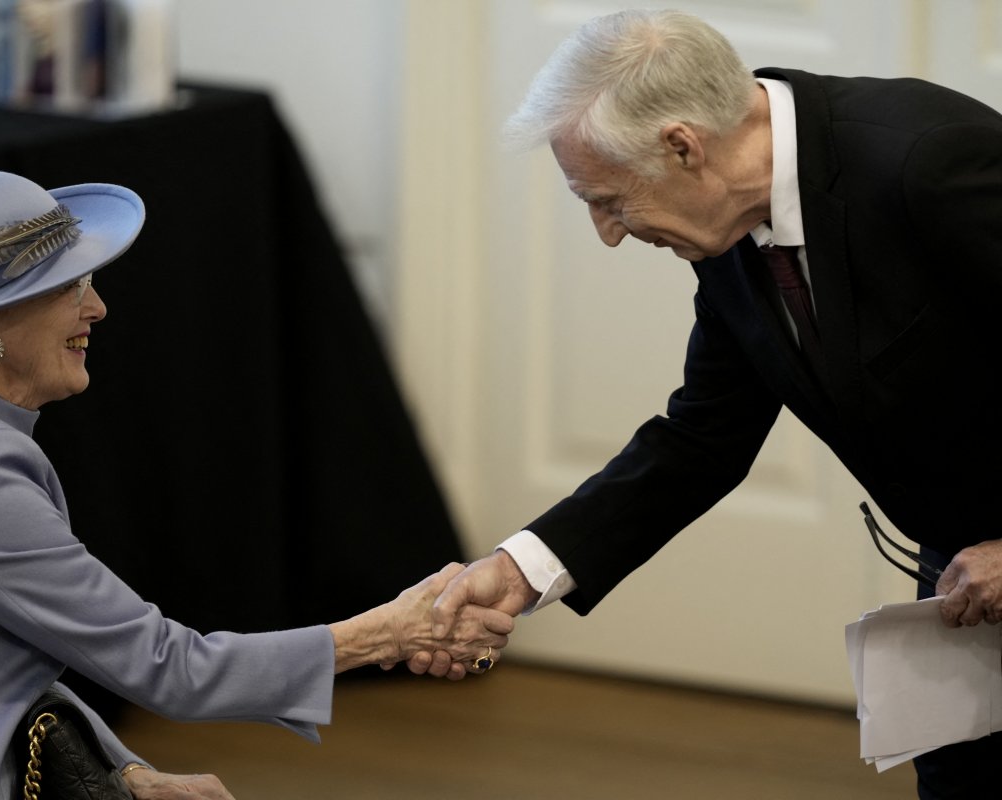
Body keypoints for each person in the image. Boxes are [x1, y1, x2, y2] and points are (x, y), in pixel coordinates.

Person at [414, 9, 1002, 799]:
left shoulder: (929, 159)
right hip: (968, 584)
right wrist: (520, 572)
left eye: (608, 199)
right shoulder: (729, 227)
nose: (608, 234)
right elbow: (703, 437)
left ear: (683, 147)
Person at [0, 170, 512, 799]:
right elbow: (171, 668)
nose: (97, 308)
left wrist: (125, 771)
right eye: (70, 285)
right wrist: (391, 631)